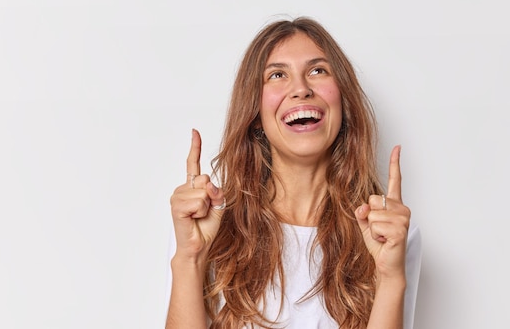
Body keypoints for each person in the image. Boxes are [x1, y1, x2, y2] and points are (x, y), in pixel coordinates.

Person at [165, 17, 422, 329]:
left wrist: (390, 278)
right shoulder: (206, 224)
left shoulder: (389, 232)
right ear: (255, 114)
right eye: (276, 75)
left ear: (342, 101)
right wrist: (189, 259)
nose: (301, 89)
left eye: (317, 71)